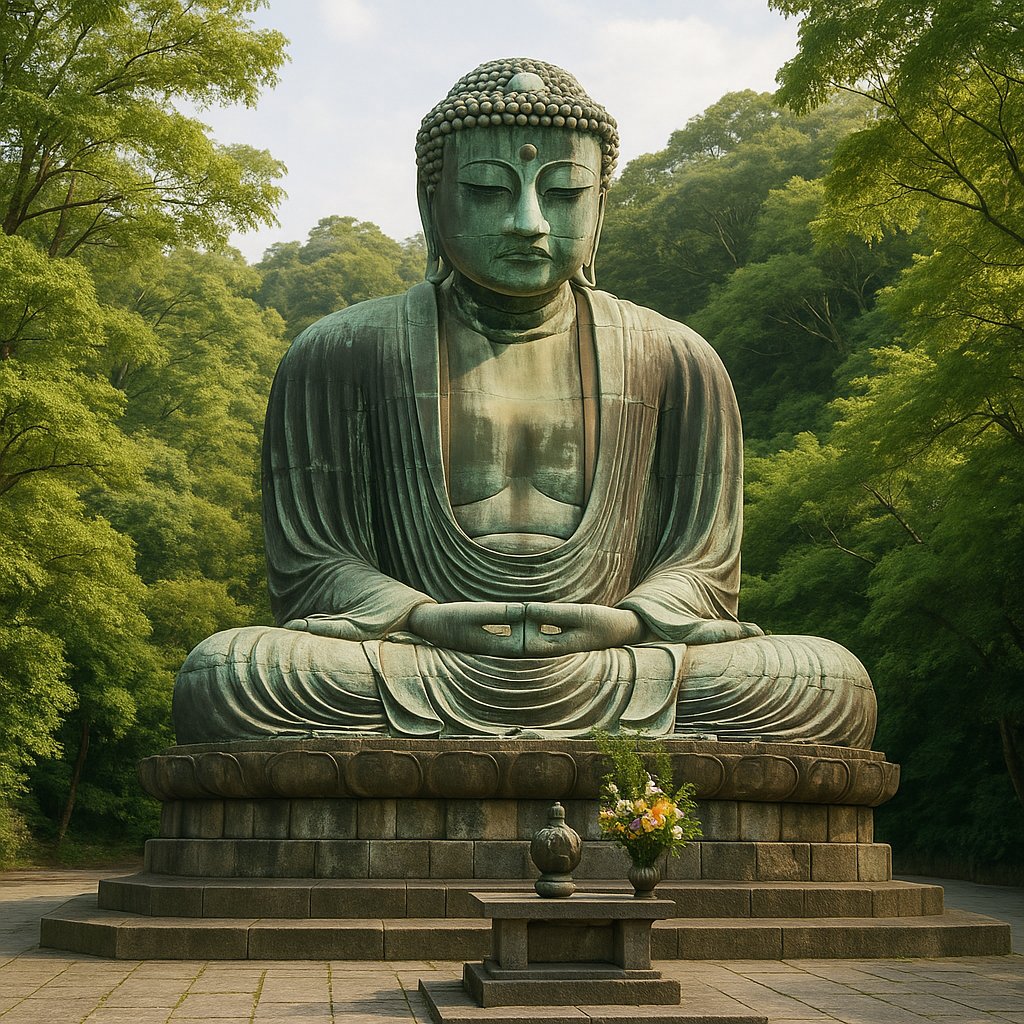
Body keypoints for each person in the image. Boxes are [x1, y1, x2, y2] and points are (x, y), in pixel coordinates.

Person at [173, 58, 876, 747]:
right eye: (487, 190)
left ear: (602, 203)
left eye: (565, 193)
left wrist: (628, 621)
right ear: (431, 201)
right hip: (415, 659)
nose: (527, 222)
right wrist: (420, 616)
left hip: (616, 663)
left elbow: (702, 570)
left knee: (823, 681)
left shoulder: (677, 357)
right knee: (231, 673)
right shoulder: (342, 351)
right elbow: (315, 563)